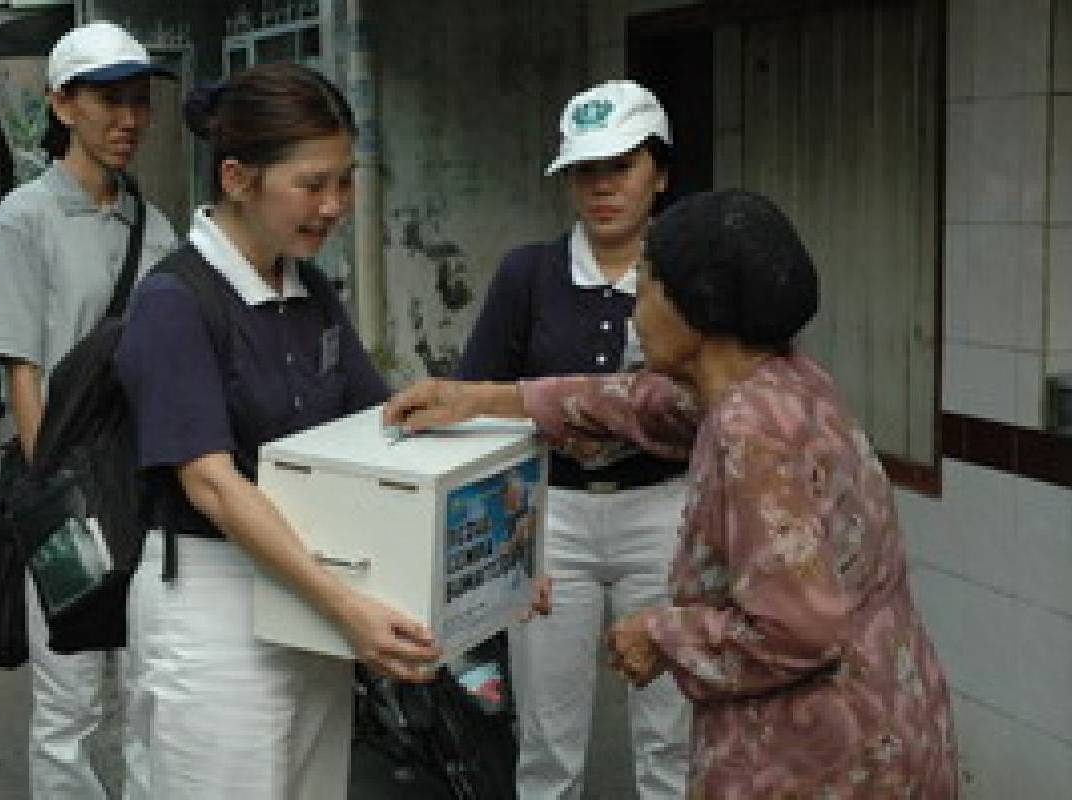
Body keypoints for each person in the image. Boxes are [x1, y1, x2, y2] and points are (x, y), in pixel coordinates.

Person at [385, 190, 959, 796]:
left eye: (649, 281)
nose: (635, 304)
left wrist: (659, 634)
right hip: (895, 717)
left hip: (822, 758)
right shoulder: (780, 380)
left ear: (697, 309)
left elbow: (799, 631)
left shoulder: (752, 436)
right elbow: (639, 403)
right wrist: (480, 400)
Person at [112, 62, 442, 799]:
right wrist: (345, 607)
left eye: (345, 181)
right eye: (313, 183)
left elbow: (377, 422)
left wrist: (486, 550)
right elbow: (214, 486)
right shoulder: (175, 300)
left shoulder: (308, 285)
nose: (334, 205)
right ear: (238, 178)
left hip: (313, 588)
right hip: (213, 599)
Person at [457, 79, 690, 798]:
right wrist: (510, 538)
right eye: (586, 171)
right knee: (549, 744)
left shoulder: (684, 274)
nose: (602, 187)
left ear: (661, 173)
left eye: (620, 166)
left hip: (663, 512)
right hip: (552, 517)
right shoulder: (529, 273)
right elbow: (479, 404)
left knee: (671, 737)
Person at [0, 22, 179, 799]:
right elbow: (22, 367)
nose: (127, 119)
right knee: (70, 699)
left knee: (143, 687)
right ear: (61, 105)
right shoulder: (27, 216)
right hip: (64, 489)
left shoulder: (152, 226)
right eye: (106, 100)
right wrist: (55, 501)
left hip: (144, 487)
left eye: (138, 101)